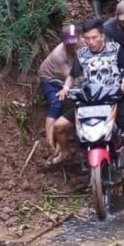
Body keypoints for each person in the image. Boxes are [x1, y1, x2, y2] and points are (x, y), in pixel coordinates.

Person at [52, 18, 124, 199]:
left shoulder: (114, 50)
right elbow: (72, 76)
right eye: (87, 38)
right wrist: (66, 88)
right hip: (89, 102)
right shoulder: (82, 54)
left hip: (113, 100)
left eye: (95, 37)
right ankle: (65, 152)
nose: (91, 42)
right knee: (59, 126)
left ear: (102, 36)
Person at [38, 25, 81, 158]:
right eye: (69, 43)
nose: (72, 46)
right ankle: (49, 141)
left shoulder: (83, 43)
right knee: (56, 103)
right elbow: (70, 77)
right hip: (50, 78)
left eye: (75, 42)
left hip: (66, 78)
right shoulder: (59, 55)